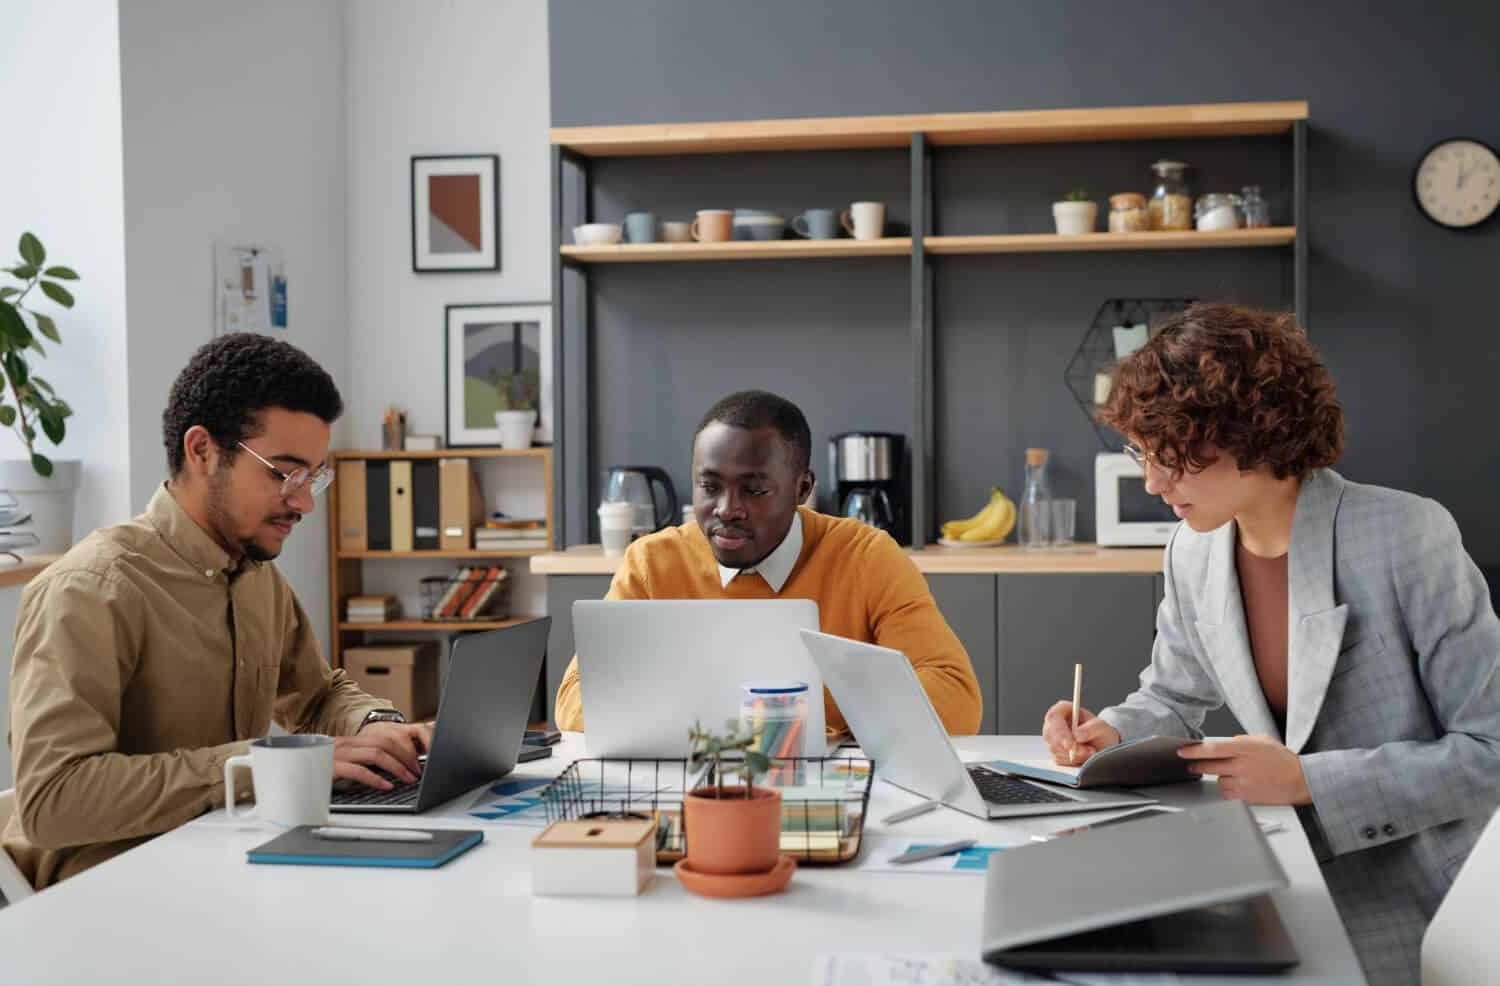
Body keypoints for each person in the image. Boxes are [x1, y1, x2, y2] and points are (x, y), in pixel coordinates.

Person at [1040, 304, 1500, 986]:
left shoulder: (1408, 537)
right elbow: (1171, 693)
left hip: (1422, 899)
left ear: (1250, 435)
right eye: (1143, 453)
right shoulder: (1193, 549)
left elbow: (1489, 751)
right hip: (1277, 866)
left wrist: (1309, 781)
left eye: (1172, 457)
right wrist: (1113, 733)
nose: (1153, 482)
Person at [4, 333, 432, 889]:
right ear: (202, 450)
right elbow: (53, 800)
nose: (304, 502)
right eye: (284, 474)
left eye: (313, 478)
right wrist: (265, 766)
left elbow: (317, 694)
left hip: (232, 858)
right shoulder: (90, 589)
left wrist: (379, 730)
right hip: (111, 893)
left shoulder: (256, 575)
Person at [554, 390, 981, 736]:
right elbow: (574, 700)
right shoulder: (651, 562)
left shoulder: (866, 556)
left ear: (802, 488)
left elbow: (958, 700)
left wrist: (780, 712)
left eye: (754, 490)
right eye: (709, 486)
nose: (727, 509)